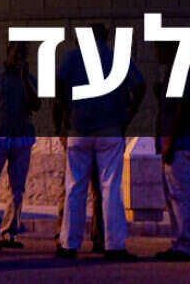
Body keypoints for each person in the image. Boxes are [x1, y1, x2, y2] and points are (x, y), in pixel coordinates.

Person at [53, 22, 145, 261]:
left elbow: (58, 89)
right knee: (110, 187)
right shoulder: (116, 57)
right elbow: (140, 85)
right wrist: (128, 114)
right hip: (110, 128)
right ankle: (114, 245)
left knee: (75, 187)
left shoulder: (72, 57)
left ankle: (68, 244)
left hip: (78, 128)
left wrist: (60, 124)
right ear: (106, 38)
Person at [0, 41, 40, 248]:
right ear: (8, 52)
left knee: (17, 188)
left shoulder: (29, 79)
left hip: (21, 137)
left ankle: (9, 232)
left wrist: (24, 79)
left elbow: (36, 105)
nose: (20, 56)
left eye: (24, 53)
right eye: (17, 52)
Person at [152, 40, 190, 261]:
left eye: (159, 48)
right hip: (176, 143)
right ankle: (180, 242)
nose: (156, 53)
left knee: (181, 194)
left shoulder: (180, 73)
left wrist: (171, 141)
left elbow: (182, 109)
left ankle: (187, 245)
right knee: (174, 195)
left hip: (180, 144)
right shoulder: (173, 74)